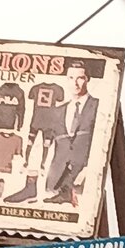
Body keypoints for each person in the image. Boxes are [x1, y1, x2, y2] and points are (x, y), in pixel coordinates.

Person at [45, 63, 99, 205]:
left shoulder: (97, 106)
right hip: (57, 181)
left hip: (84, 179)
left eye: (80, 78)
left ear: (88, 79)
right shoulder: (58, 111)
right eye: (70, 78)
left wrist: (88, 169)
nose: (75, 83)